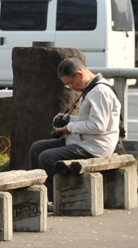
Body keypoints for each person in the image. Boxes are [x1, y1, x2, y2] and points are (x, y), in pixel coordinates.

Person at [28, 58, 121, 202]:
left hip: (96, 146)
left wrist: (69, 127)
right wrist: (69, 119)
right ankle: (37, 196)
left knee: (46, 157)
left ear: (80, 74)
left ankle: (57, 199)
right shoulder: (91, 89)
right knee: (37, 148)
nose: (71, 88)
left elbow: (98, 126)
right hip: (83, 141)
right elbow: (88, 121)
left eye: (70, 83)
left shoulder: (99, 92)